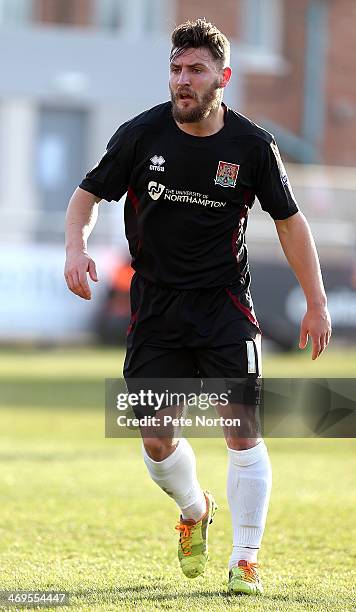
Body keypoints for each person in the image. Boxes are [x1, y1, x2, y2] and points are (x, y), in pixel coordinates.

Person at [64, 18, 332, 596]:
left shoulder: (252, 145)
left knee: (242, 429)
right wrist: (75, 247)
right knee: (156, 440)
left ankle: (246, 560)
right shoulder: (140, 136)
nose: (182, 81)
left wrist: (315, 300)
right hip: (156, 309)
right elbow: (86, 195)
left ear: (223, 78)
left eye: (196, 71)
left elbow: (290, 222)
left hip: (225, 306)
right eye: (176, 70)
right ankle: (194, 508)